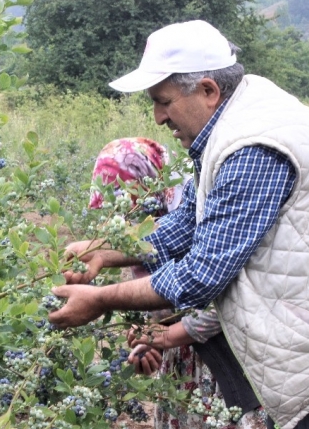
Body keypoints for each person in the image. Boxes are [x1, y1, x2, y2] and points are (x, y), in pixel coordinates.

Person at [51, 20, 309, 429]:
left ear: (207, 90)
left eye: (163, 101)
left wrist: (100, 299)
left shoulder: (252, 146)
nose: (158, 117)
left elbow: (202, 274)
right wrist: (102, 251)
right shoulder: (233, 122)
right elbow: (188, 223)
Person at [85, 136, 267, 428]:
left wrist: (168, 335)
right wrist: (148, 335)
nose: (124, 220)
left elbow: (226, 299)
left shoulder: (203, 212)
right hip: (185, 367)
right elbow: (158, 293)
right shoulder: (149, 229)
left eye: (129, 207)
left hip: (229, 362)